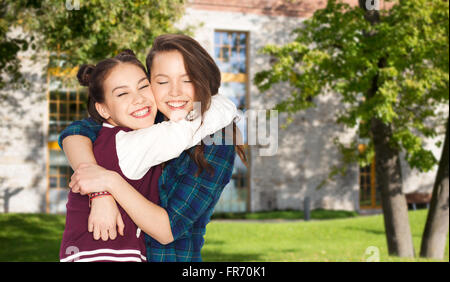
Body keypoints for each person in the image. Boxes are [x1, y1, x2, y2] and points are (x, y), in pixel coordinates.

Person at [59, 34, 247, 262]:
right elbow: (77, 131)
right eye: (162, 81)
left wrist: (107, 182)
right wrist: (97, 190)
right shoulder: (145, 116)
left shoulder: (217, 141)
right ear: (151, 83)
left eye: (187, 80)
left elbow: (167, 229)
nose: (175, 92)